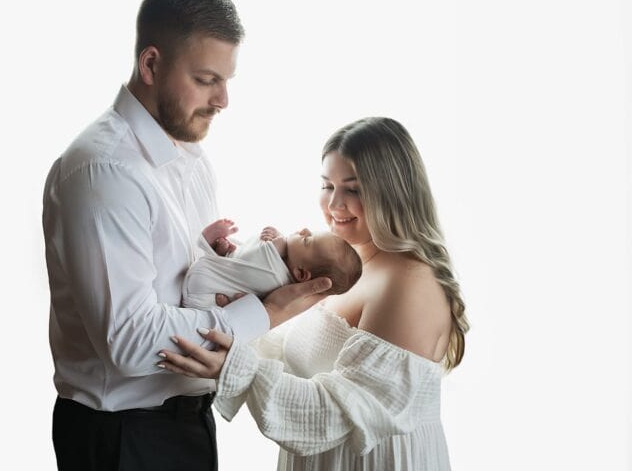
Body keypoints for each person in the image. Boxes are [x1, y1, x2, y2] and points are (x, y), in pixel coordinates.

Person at [41, 0, 331, 471]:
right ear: (151, 64)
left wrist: (223, 267)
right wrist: (265, 311)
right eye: (206, 79)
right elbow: (132, 341)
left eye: (227, 80)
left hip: (187, 423)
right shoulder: (105, 170)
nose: (223, 100)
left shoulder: (191, 159)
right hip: (123, 439)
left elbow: (181, 290)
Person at [158, 117, 470, 471]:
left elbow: (338, 415)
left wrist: (236, 367)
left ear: (394, 194)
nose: (334, 204)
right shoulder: (342, 267)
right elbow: (297, 359)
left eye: (353, 189)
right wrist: (245, 316)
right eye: (327, 185)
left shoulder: (408, 284)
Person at [182, 219, 362, 309]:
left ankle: (213, 247)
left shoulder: (275, 278)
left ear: (300, 273)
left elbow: (258, 257)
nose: (304, 230)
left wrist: (277, 243)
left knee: (246, 262)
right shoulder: (281, 265)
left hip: (202, 295)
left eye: (307, 240)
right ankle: (225, 253)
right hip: (217, 282)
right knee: (239, 260)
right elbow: (248, 260)